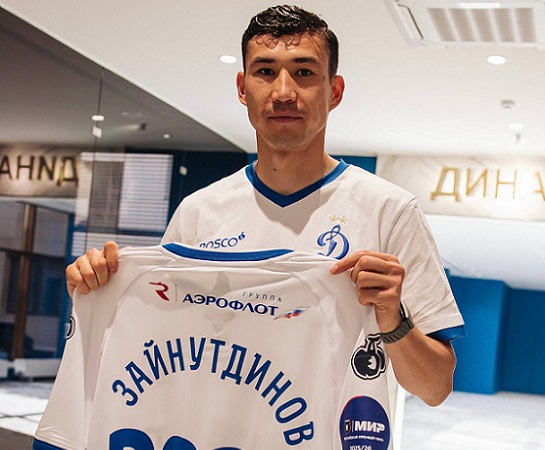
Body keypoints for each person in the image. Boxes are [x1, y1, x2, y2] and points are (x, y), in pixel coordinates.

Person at [66, 4, 464, 408]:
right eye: (265, 71)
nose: (284, 92)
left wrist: (393, 319)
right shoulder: (199, 212)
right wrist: (97, 287)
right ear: (243, 88)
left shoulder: (390, 211)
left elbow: (435, 388)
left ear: (334, 91)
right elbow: (153, 346)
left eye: (304, 72)